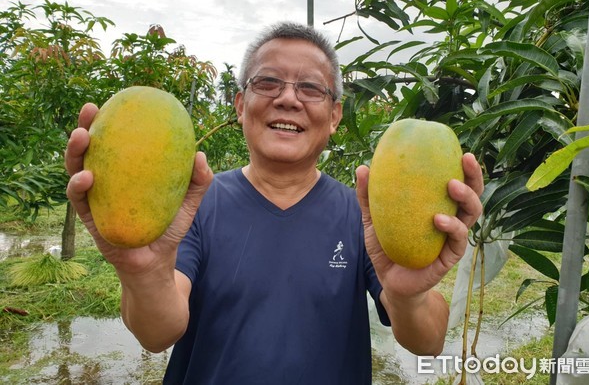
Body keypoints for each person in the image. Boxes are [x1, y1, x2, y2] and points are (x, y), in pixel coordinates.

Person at [65, 21, 484, 384]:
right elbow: (156, 335)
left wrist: (408, 297)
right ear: (241, 103)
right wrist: (142, 273)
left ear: (335, 116)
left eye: (310, 88)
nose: (288, 99)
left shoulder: (366, 215)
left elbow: (427, 343)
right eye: (268, 82)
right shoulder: (194, 204)